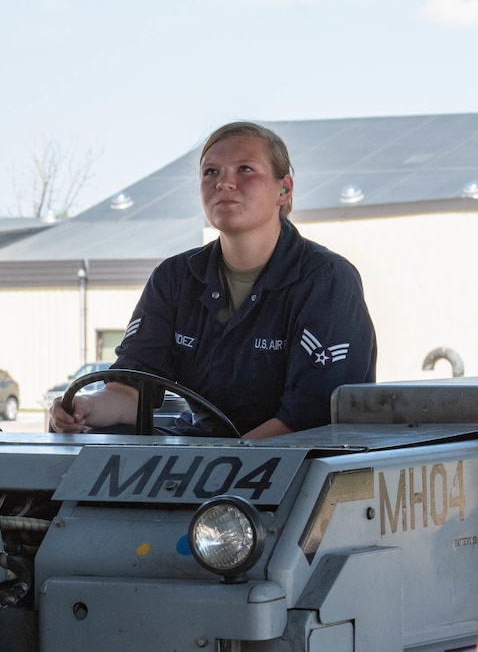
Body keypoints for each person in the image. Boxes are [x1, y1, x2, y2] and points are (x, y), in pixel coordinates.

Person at [49, 121, 376, 438]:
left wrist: (223, 461)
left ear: (284, 188)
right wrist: (84, 407)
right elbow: (131, 392)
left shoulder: (326, 280)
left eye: (245, 169)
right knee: (107, 436)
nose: (224, 183)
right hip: (206, 462)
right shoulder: (175, 279)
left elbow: (309, 417)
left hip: (301, 469)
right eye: (211, 172)